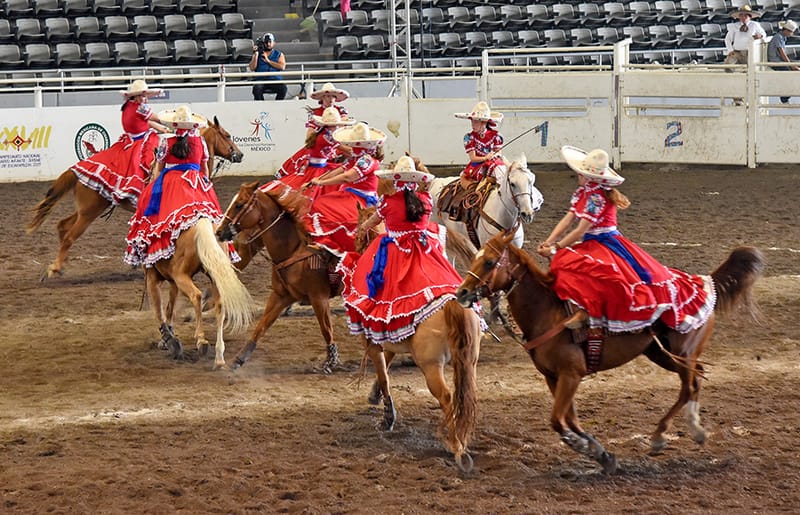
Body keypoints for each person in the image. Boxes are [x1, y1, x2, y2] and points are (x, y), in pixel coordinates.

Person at [536, 146, 716, 368]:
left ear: (588, 176)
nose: (578, 176)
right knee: (568, 265)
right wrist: (550, 240)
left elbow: (579, 231)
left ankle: (588, 314)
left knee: (594, 275)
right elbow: (568, 219)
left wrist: (555, 247)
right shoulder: (585, 192)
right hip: (593, 242)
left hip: (605, 243)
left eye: (580, 173)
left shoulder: (597, 198)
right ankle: (576, 310)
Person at [337, 156, 465, 345]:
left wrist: (363, 227)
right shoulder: (426, 200)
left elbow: (371, 223)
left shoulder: (387, 202)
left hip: (397, 248)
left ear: (396, 180)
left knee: (382, 281)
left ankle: (393, 330)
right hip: (423, 245)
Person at [125, 106, 226, 267]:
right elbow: (205, 168)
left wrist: (155, 186)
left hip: (172, 180)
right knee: (212, 212)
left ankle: (150, 249)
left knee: (151, 210)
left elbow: (159, 167)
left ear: (175, 125)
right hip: (195, 180)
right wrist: (205, 183)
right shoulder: (200, 142)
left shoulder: (166, 141)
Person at [71, 79, 169, 206]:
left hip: (130, 139)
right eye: (144, 96)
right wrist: (173, 121)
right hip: (142, 141)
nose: (146, 99)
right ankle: (153, 191)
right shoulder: (141, 108)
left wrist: (160, 129)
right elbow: (156, 118)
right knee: (151, 162)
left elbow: (144, 120)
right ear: (137, 96)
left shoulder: (129, 105)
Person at [302, 122, 385, 256]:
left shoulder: (366, 160)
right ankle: (325, 242)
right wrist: (319, 181)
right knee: (321, 203)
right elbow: (340, 169)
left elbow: (347, 177)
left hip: (361, 198)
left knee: (323, 205)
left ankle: (333, 244)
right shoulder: (358, 157)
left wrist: (321, 182)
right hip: (350, 194)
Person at [277, 82, 352, 179]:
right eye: (327, 96)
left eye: (333, 96)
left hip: (338, 140)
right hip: (324, 144)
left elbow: (345, 128)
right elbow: (310, 133)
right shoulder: (316, 113)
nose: (331, 99)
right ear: (322, 98)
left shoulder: (341, 110)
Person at [276, 106, 355, 196]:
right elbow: (346, 149)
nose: (337, 127)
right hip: (317, 169)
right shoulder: (327, 137)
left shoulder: (324, 133)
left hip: (322, 165)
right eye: (336, 125)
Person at [454, 101, 505, 185]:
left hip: (493, 163)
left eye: (476, 122)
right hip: (477, 165)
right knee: (464, 178)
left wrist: (494, 155)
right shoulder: (469, 137)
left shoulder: (496, 136)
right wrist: (485, 158)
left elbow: (498, 152)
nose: (473, 124)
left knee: (503, 172)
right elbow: (473, 158)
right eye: (472, 121)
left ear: (484, 122)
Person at [724, 5, 766, 72]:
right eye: (741, 16)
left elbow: (763, 34)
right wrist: (730, 50)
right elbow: (728, 39)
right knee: (728, 67)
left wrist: (759, 36)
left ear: (749, 17)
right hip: (736, 52)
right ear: (739, 17)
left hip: (750, 52)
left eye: (745, 16)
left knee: (750, 70)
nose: (743, 18)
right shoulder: (734, 26)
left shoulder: (755, 25)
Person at [767, 19, 799, 104]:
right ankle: (784, 98)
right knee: (789, 76)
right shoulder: (778, 37)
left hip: (779, 60)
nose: (791, 34)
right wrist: (792, 66)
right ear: (786, 30)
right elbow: (782, 54)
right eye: (791, 32)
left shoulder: (782, 37)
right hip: (775, 62)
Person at [249, 32, 288, 101]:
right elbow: (252, 68)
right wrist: (255, 55)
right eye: (266, 42)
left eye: (270, 42)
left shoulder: (279, 54)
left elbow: (282, 67)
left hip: (275, 80)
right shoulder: (258, 54)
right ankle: (261, 106)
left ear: (274, 43)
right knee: (257, 89)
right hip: (261, 80)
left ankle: (277, 105)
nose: (268, 44)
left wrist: (268, 61)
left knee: (283, 88)